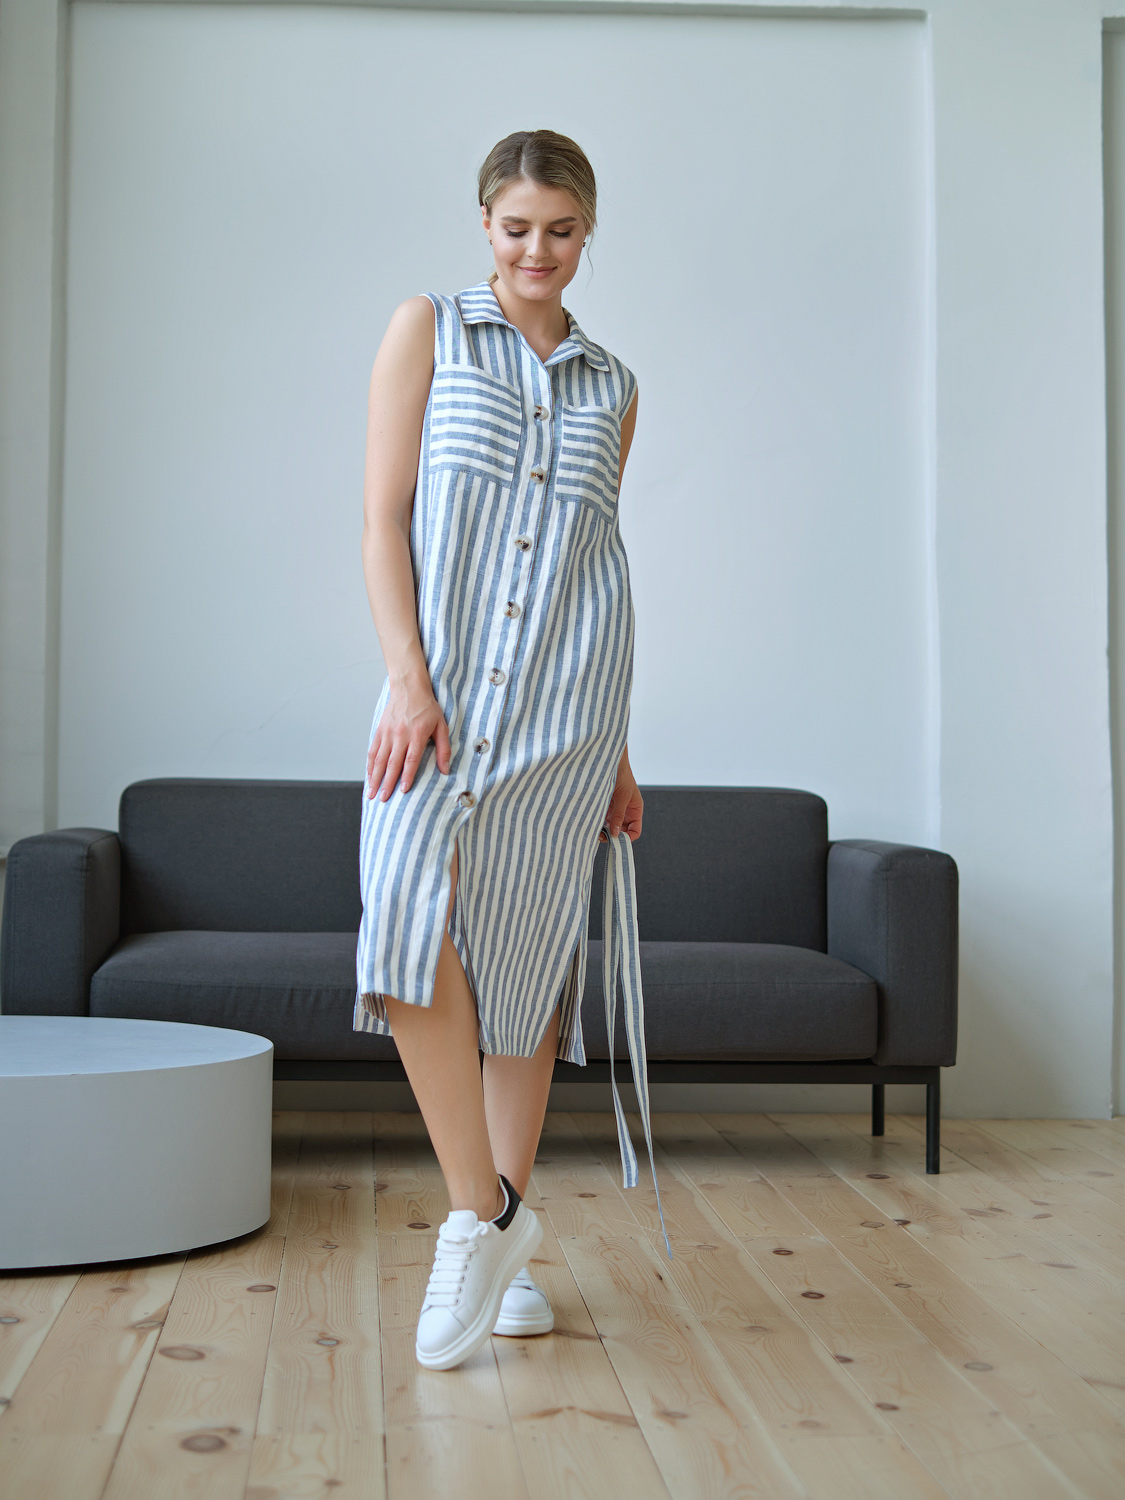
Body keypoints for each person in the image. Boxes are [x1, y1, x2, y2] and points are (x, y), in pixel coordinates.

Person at [354, 128, 668, 1373]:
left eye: (563, 229)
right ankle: (485, 1221)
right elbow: (382, 518)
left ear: (589, 231)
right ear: (485, 223)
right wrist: (406, 679)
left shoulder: (615, 386)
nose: (539, 249)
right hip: (436, 705)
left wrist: (618, 751)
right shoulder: (427, 330)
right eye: (518, 227)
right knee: (406, 928)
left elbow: (598, 568)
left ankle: (501, 1249)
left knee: (523, 980)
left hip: (567, 718)